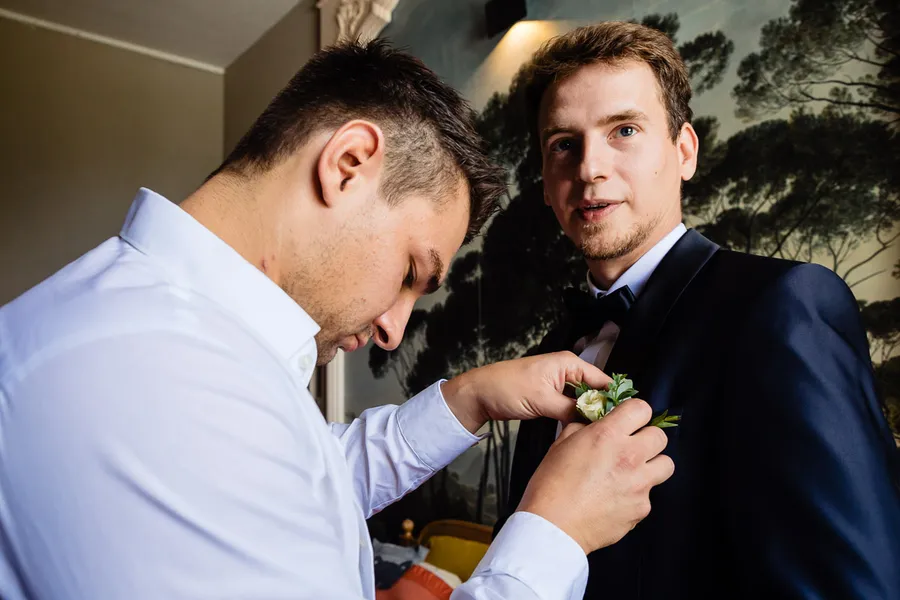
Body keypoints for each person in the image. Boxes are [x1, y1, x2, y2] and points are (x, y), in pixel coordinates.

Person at [0, 40, 675, 600]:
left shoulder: (173, 344)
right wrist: (552, 533)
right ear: (348, 165)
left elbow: (294, 484)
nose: (391, 328)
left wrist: (465, 401)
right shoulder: (155, 378)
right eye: (412, 272)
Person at [500, 21, 900, 600]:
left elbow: (857, 585)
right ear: (544, 179)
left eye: (624, 130)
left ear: (684, 151)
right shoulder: (547, 357)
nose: (589, 168)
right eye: (564, 143)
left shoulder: (782, 305)